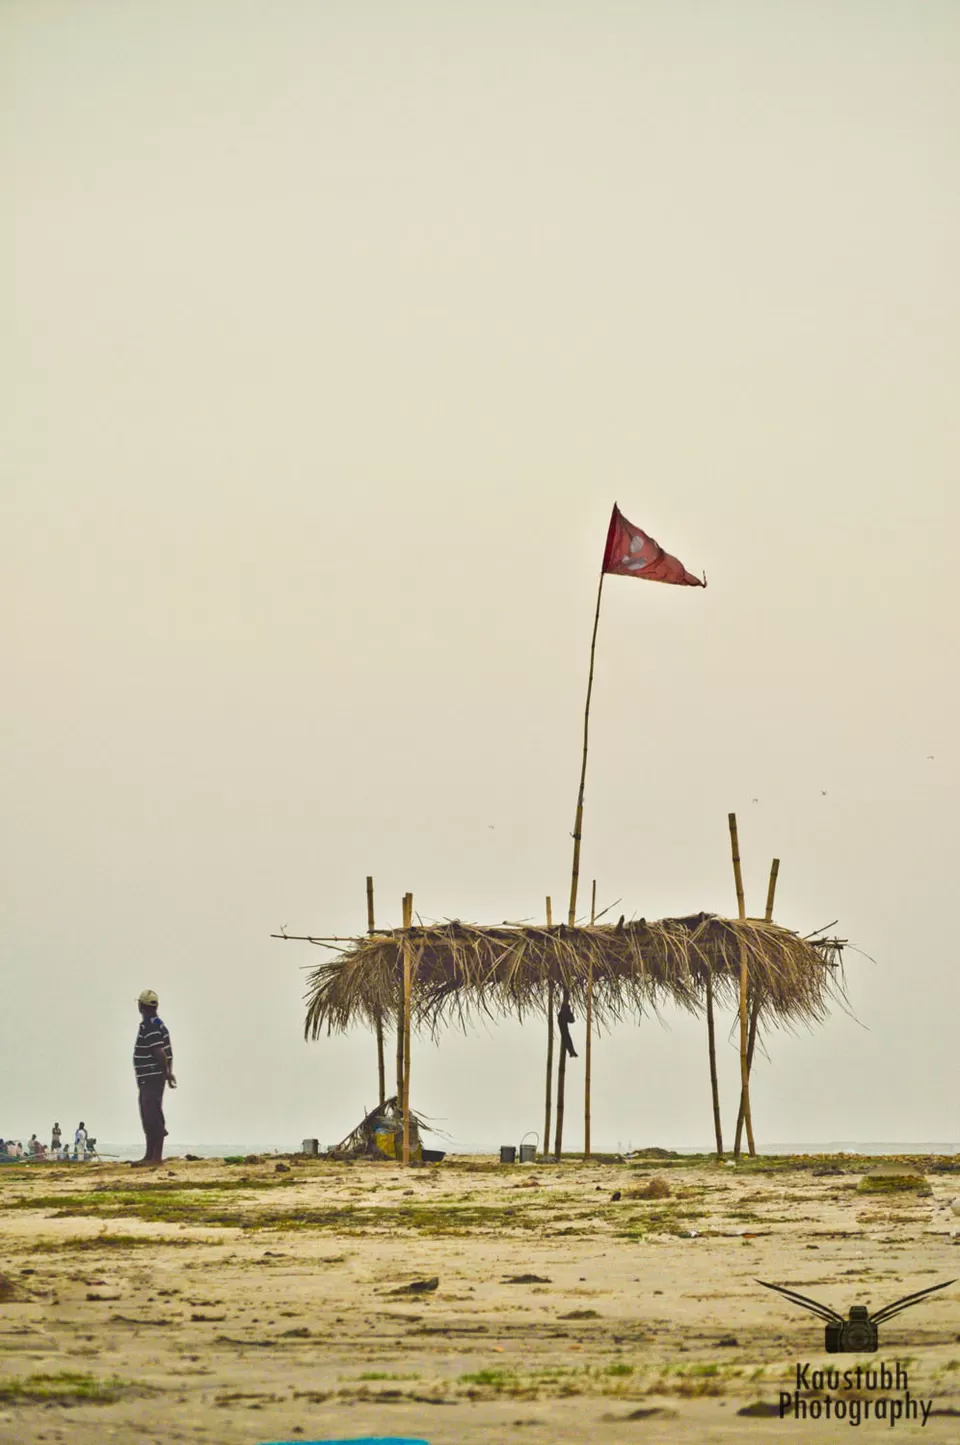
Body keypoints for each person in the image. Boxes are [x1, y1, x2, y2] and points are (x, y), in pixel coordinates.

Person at [133, 989, 176, 1165]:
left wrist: (167, 1073)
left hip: (151, 1077)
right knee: (149, 1113)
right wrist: (168, 1072)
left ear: (141, 1006)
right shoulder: (158, 1024)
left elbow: (159, 1052)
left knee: (151, 1115)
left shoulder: (150, 1026)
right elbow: (167, 1053)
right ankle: (149, 1155)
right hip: (150, 1077)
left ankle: (155, 1157)